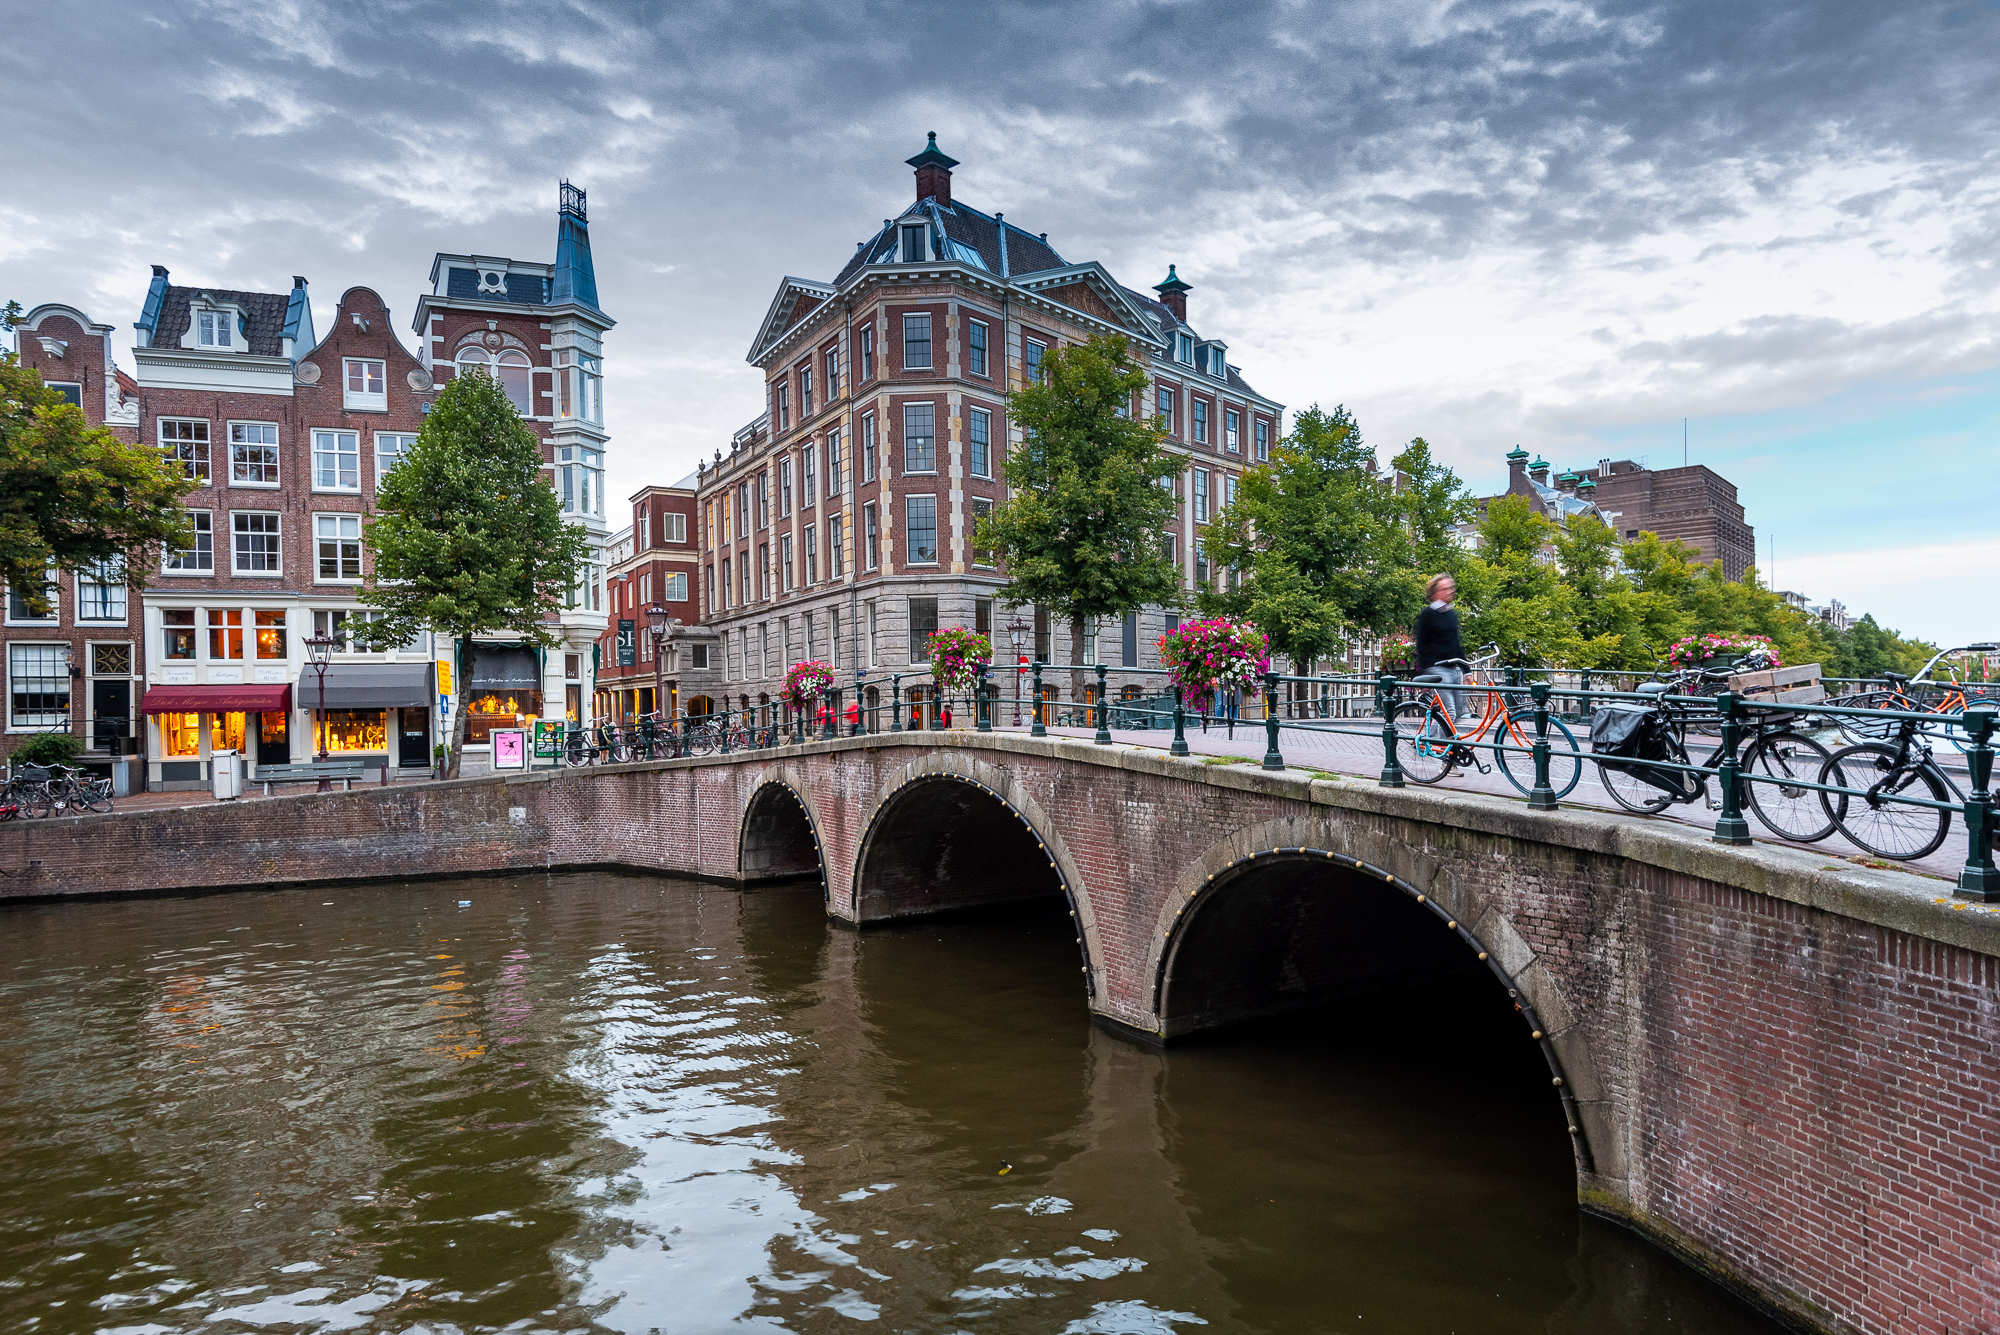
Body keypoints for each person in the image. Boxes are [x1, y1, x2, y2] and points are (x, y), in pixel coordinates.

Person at [1414, 573, 1469, 719]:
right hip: (1437, 669)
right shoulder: (1427, 614)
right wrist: (1426, 675)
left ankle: (1431, 734)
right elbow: (1421, 645)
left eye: (1451, 588)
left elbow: (1456, 644)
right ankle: (1441, 736)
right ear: (1435, 593)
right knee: (1449, 713)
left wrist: (1467, 671)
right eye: (1445, 589)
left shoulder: (1451, 614)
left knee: (1458, 713)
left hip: (1453, 669)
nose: (1450, 591)